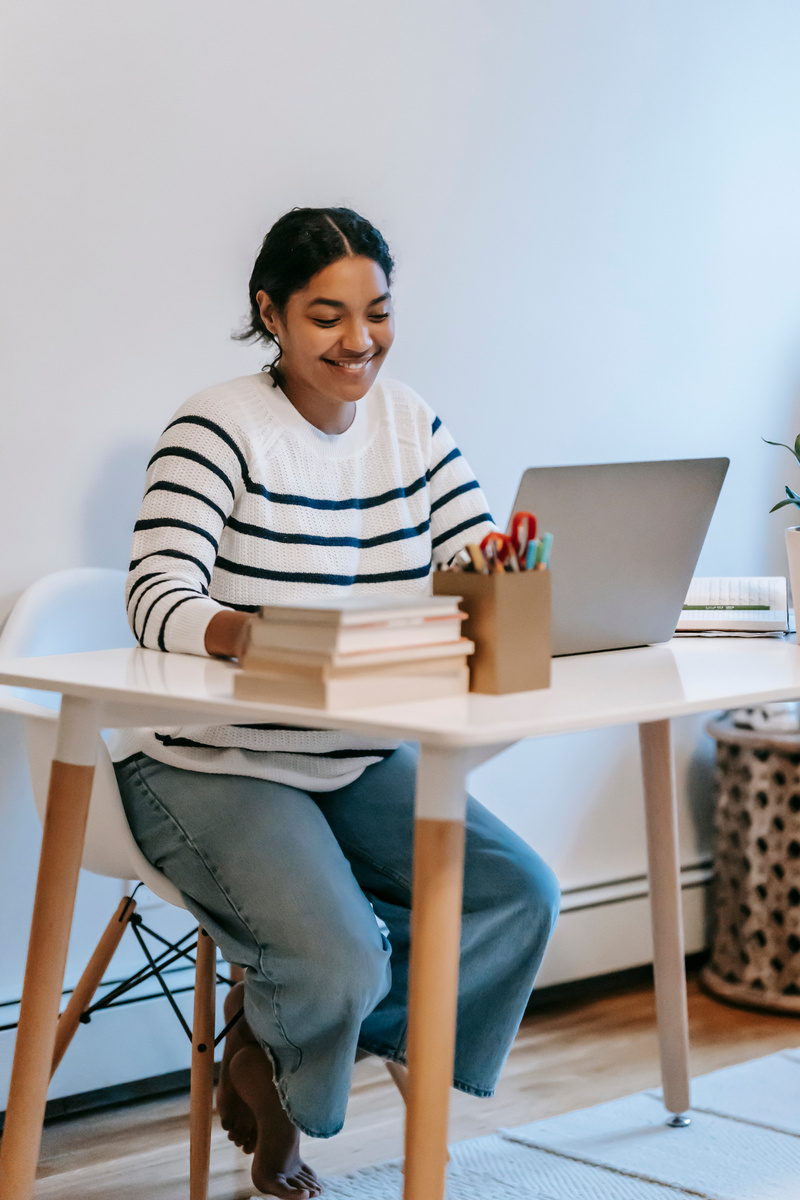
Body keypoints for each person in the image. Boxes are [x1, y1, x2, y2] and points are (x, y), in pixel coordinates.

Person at [111, 206, 560, 1199]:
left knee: (514, 894)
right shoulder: (216, 424)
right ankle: (292, 1053)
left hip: (345, 747)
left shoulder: (410, 422)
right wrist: (256, 635)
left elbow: (468, 552)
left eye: (377, 312)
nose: (358, 341)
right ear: (269, 313)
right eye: (325, 316)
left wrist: (496, 574)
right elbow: (154, 597)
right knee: (341, 957)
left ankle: (274, 1046)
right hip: (207, 757)